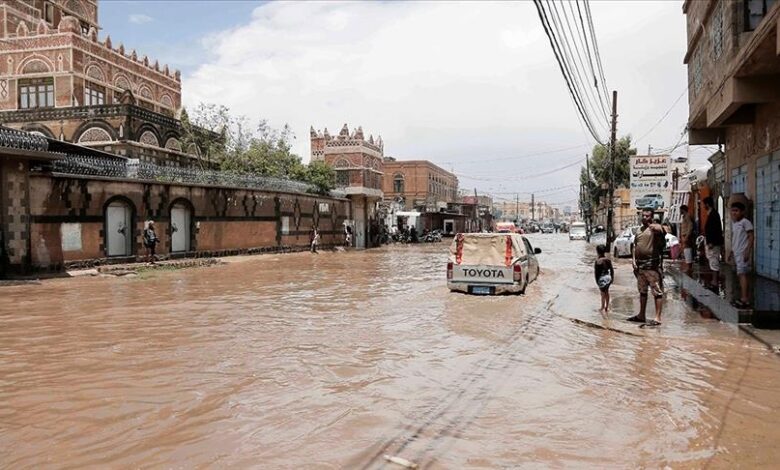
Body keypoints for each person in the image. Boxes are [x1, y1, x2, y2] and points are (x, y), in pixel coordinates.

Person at [627, 208, 667, 327]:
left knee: (657, 292)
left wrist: (655, 226)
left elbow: (664, 230)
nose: (644, 218)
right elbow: (634, 246)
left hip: (652, 266)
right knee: (642, 292)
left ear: (652, 217)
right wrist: (633, 260)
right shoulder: (639, 230)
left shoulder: (655, 229)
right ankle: (641, 315)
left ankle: (658, 317)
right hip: (641, 267)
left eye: (647, 216)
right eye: (643, 216)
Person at [728, 202, 754, 308]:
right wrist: (731, 252)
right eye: (732, 210)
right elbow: (735, 239)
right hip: (737, 253)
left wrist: (748, 251)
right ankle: (743, 297)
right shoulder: (735, 224)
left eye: (736, 211)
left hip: (743, 254)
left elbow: (751, 237)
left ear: (742, 212)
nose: (734, 213)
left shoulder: (745, 223)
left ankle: (745, 299)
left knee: (742, 274)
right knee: (740, 274)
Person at [703, 196, 724, 290]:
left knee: (714, 261)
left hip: (713, 243)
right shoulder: (712, 214)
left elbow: (715, 229)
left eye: (704, 204)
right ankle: (713, 281)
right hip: (712, 241)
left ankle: (715, 281)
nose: (704, 206)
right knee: (712, 260)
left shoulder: (713, 215)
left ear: (707, 204)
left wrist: (711, 242)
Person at [594, 244, 615, 313]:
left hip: (601, 278)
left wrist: (597, 281)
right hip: (608, 277)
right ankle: (607, 307)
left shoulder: (597, 261)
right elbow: (612, 270)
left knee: (602, 293)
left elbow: (596, 273)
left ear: (597, 252)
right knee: (607, 292)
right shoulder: (608, 260)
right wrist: (612, 278)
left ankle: (602, 307)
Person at [679, 204, 694, 274]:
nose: (680, 211)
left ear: (683, 210)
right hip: (684, 236)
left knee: (687, 251)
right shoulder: (685, 217)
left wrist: (687, 236)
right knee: (686, 251)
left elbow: (690, 226)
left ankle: (689, 267)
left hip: (686, 236)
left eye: (680, 210)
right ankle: (689, 266)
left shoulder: (687, 216)